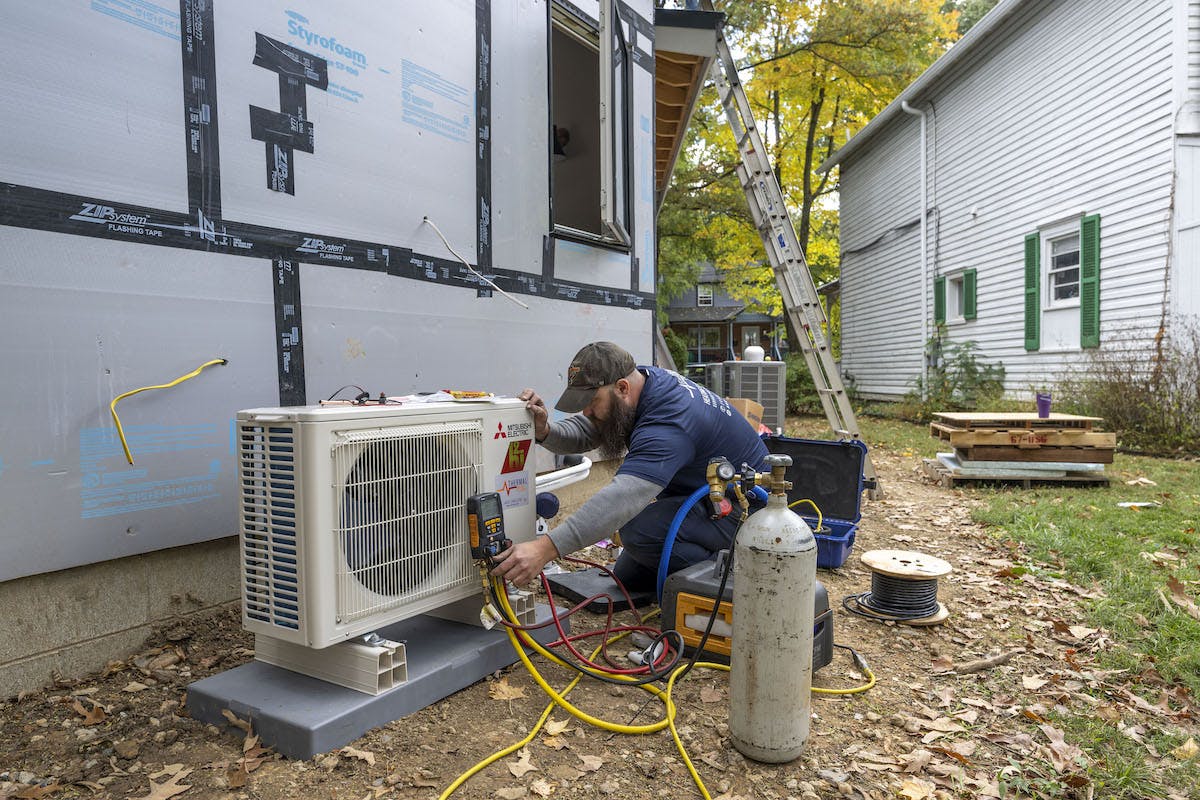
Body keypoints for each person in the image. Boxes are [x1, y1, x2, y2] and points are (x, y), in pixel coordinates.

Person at [490, 341, 769, 590]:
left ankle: (730, 575)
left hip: (743, 513)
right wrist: (545, 431)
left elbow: (624, 497)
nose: (586, 411)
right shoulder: (641, 383)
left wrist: (545, 549)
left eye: (591, 402)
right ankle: (683, 577)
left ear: (622, 388)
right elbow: (592, 428)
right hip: (703, 498)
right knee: (629, 574)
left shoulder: (668, 421)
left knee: (639, 532)